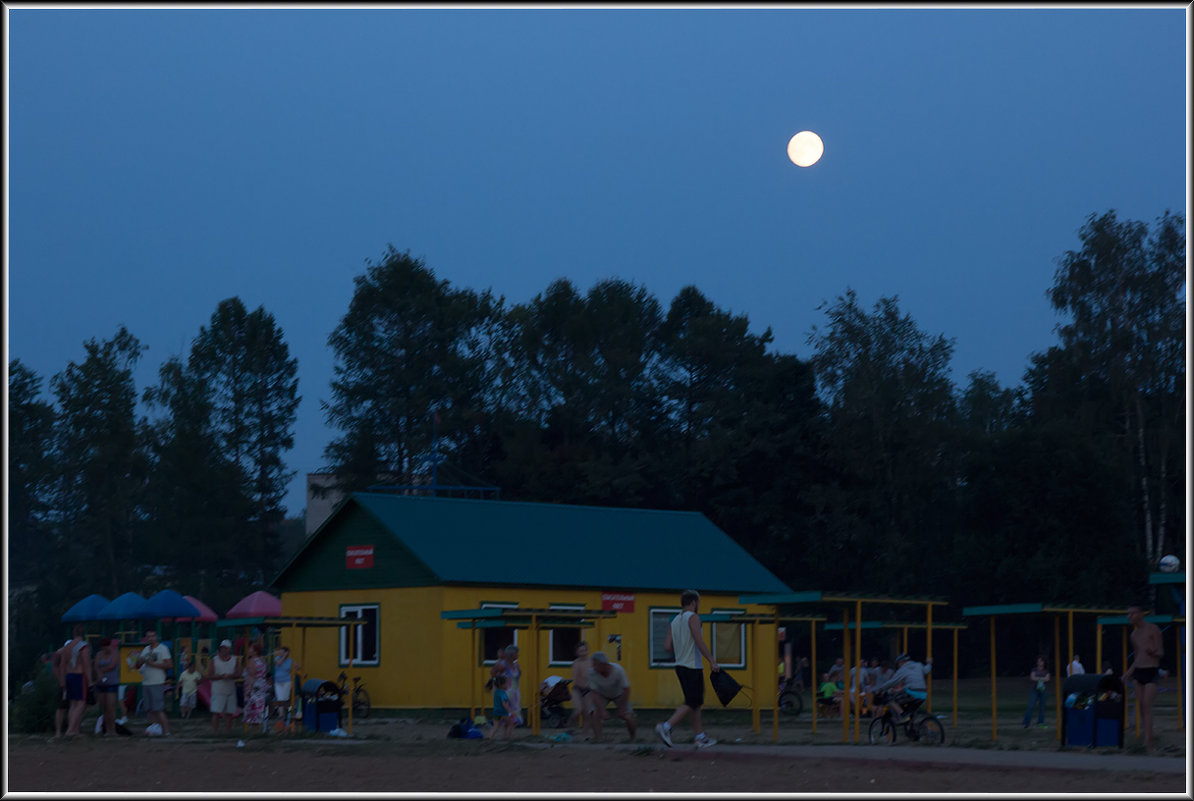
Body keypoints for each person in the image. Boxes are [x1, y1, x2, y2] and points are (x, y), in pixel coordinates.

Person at [655, 589, 719, 749]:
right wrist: (711, 660)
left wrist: (682, 645)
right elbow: (699, 641)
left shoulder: (675, 621)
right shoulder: (694, 617)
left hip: (680, 666)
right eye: (698, 602)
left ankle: (700, 737)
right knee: (692, 701)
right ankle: (666, 727)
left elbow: (667, 646)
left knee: (695, 703)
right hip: (692, 666)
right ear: (694, 602)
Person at [1123, 603, 1164, 749]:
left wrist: (1154, 652)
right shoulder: (1133, 635)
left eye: (1133, 613)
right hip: (1138, 671)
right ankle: (1146, 739)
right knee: (1140, 706)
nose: (1130, 616)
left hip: (1151, 670)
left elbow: (1161, 652)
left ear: (1141, 614)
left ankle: (1149, 740)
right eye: (1128, 614)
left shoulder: (1153, 629)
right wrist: (1128, 673)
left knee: (1147, 705)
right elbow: (1137, 657)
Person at [585, 651, 636, 742]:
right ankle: (598, 738)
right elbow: (594, 693)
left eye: (595, 665)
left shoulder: (618, 670)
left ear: (603, 664)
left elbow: (626, 689)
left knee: (628, 716)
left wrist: (622, 708)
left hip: (619, 693)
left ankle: (633, 738)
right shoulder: (591, 673)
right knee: (595, 713)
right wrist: (602, 710)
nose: (593, 667)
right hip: (602, 694)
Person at [873, 652, 932, 723]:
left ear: (901, 662)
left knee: (889, 699)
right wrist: (929, 663)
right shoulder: (918, 665)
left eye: (898, 664)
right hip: (923, 694)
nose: (898, 666)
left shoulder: (903, 669)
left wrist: (881, 688)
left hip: (912, 692)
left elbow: (893, 681)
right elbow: (926, 670)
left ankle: (903, 716)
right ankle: (914, 727)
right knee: (910, 710)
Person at [135, 629, 172, 736]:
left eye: (152, 636)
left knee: (158, 708)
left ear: (156, 637)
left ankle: (166, 731)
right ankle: (154, 728)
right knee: (149, 709)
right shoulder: (145, 649)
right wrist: (139, 660)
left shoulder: (162, 649)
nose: (150, 638)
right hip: (146, 682)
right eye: (148, 636)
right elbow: (137, 666)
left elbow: (169, 665)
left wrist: (152, 664)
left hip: (157, 681)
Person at [60, 624, 92, 737]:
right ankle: (71, 730)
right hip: (79, 676)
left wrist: (62, 680)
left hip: (69, 675)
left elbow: (63, 664)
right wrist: (90, 681)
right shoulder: (83, 646)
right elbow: (86, 664)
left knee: (73, 704)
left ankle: (74, 730)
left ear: (74, 633)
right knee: (81, 704)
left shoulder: (67, 646)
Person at [207, 639, 241, 734]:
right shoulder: (214, 661)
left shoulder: (235, 660)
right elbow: (209, 675)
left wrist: (230, 676)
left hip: (230, 689)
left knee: (230, 712)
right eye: (222, 648)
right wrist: (221, 676)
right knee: (216, 712)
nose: (223, 650)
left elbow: (239, 673)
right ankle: (215, 731)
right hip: (218, 689)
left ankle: (228, 731)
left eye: (225, 648)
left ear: (229, 649)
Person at [92, 637, 121, 736]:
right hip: (101, 684)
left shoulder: (115, 654)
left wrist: (101, 672)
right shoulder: (99, 654)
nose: (105, 649)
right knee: (104, 707)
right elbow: (95, 665)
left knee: (111, 707)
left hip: (112, 683)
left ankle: (112, 730)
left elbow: (112, 666)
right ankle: (106, 728)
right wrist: (98, 674)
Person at [242, 641, 270, 728]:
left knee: (252, 708)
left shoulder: (252, 661)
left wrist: (248, 689)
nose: (249, 650)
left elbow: (251, 676)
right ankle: (257, 728)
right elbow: (266, 672)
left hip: (254, 688)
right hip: (261, 686)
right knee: (258, 708)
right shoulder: (262, 660)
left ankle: (253, 729)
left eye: (251, 649)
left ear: (255, 651)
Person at [567, 641, 593, 731]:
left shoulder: (591, 662)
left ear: (587, 651)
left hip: (588, 690)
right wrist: (583, 685)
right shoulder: (576, 663)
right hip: (577, 689)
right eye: (580, 651)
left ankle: (585, 734)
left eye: (584, 651)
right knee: (578, 710)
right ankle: (569, 727)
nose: (583, 653)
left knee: (587, 713)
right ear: (577, 653)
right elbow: (575, 678)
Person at [1022, 656, 1050, 729]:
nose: (1039, 662)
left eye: (1040, 661)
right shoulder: (1034, 669)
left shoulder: (1046, 670)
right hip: (1035, 690)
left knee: (1042, 707)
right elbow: (1032, 677)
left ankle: (1041, 723)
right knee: (1031, 705)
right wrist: (1041, 679)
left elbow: (1047, 678)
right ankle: (1026, 722)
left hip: (1043, 690)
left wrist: (1038, 678)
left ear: (1043, 662)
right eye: (1038, 661)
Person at [271, 646, 297, 721]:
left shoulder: (290, 661)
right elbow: (279, 663)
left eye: (283, 652)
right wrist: (284, 656)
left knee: (285, 698)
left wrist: (294, 669)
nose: (280, 653)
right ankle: (281, 715)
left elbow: (298, 666)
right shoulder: (277, 659)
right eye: (280, 651)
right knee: (280, 698)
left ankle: (285, 714)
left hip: (287, 681)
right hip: (278, 682)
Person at [487, 674, 515, 739]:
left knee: (495, 726)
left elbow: (494, 683)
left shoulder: (496, 692)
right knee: (510, 724)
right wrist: (510, 711)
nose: (507, 685)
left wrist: (493, 679)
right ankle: (507, 737)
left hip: (496, 712)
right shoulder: (503, 693)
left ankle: (489, 737)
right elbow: (504, 704)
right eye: (506, 684)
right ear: (502, 685)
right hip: (503, 712)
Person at [504, 644, 523, 726]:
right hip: (506, 691)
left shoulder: (516, 665)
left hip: (515, 691)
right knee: (507, 711)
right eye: (516, 653)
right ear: (511, 655)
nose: (518, 655)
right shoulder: (503, 665)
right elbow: (494, 676)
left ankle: (511, 732)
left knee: (516, 709)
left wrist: (519, 671)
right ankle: (506, 732)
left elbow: (518, 676)